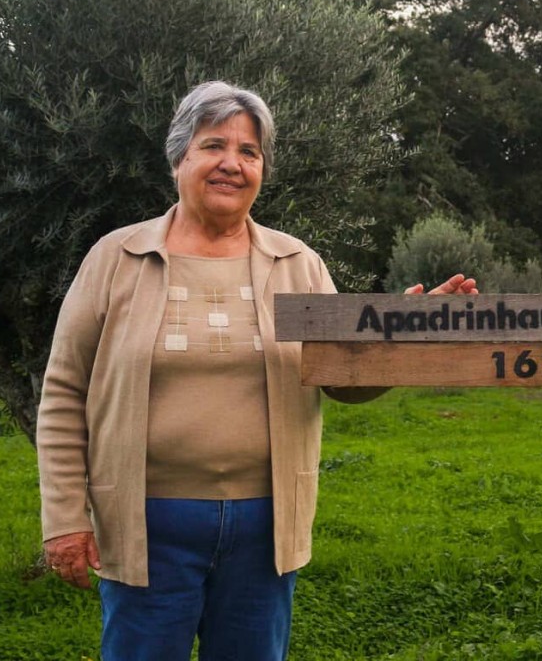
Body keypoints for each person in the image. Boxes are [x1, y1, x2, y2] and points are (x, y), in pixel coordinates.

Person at [36, 81, 477, 661]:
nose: (232, 163)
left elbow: (342, 377)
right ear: (179, 158)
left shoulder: (296, 263)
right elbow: (64, 392)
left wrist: (402, 334)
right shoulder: (117, 259)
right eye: (213, 145)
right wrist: (65, 517)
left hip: (265, 526)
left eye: (249, 151)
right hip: (144, 524)